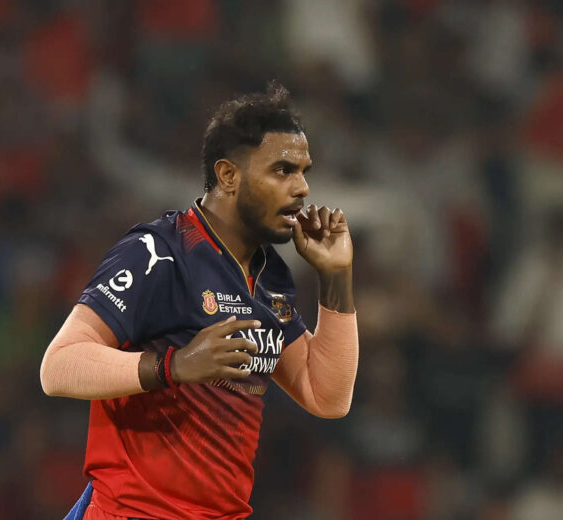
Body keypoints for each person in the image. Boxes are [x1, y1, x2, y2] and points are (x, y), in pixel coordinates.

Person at [40, 82, 359, 520]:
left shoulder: (270, 276)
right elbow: (58, 366)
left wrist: (336, 277)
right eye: (283, 170)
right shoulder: (159, 253)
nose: (302, 188)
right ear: (228, 176)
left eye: (304, 171)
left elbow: (326, 396)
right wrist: (174, 365)